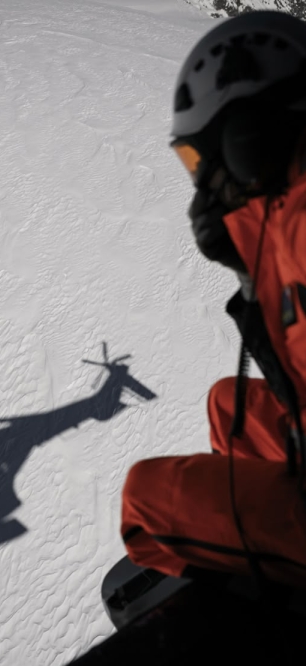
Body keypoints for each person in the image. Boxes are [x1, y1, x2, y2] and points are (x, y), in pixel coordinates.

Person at [121, 10, 306, 589]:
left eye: (203, 160)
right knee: (229, 404)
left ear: (249, 139)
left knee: (144, 503)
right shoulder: (289, 207)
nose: (202, 183)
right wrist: (247, 271)